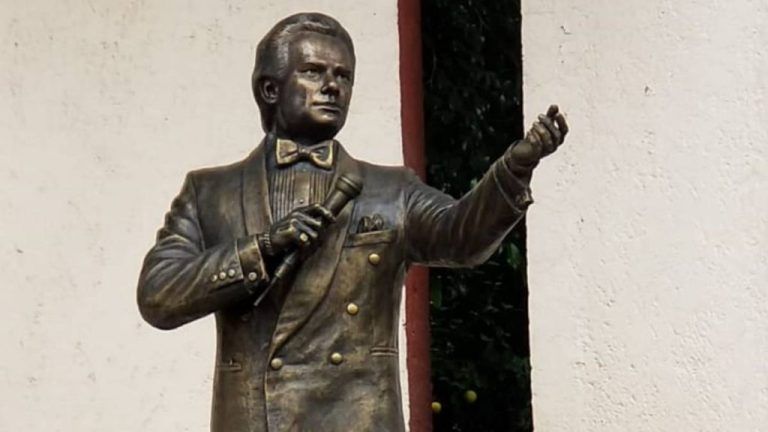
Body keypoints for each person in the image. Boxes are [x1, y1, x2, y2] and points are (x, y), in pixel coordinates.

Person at [137, 12, 568, 432]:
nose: (332, 86)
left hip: (357, 417)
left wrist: (513, 170)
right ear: (270, 88)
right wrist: (263, 247)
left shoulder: (391, 190)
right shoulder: (210, 192)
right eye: (313, 72)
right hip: (254, 418)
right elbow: (158, 295)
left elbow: (462, 237)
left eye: (343, 76)